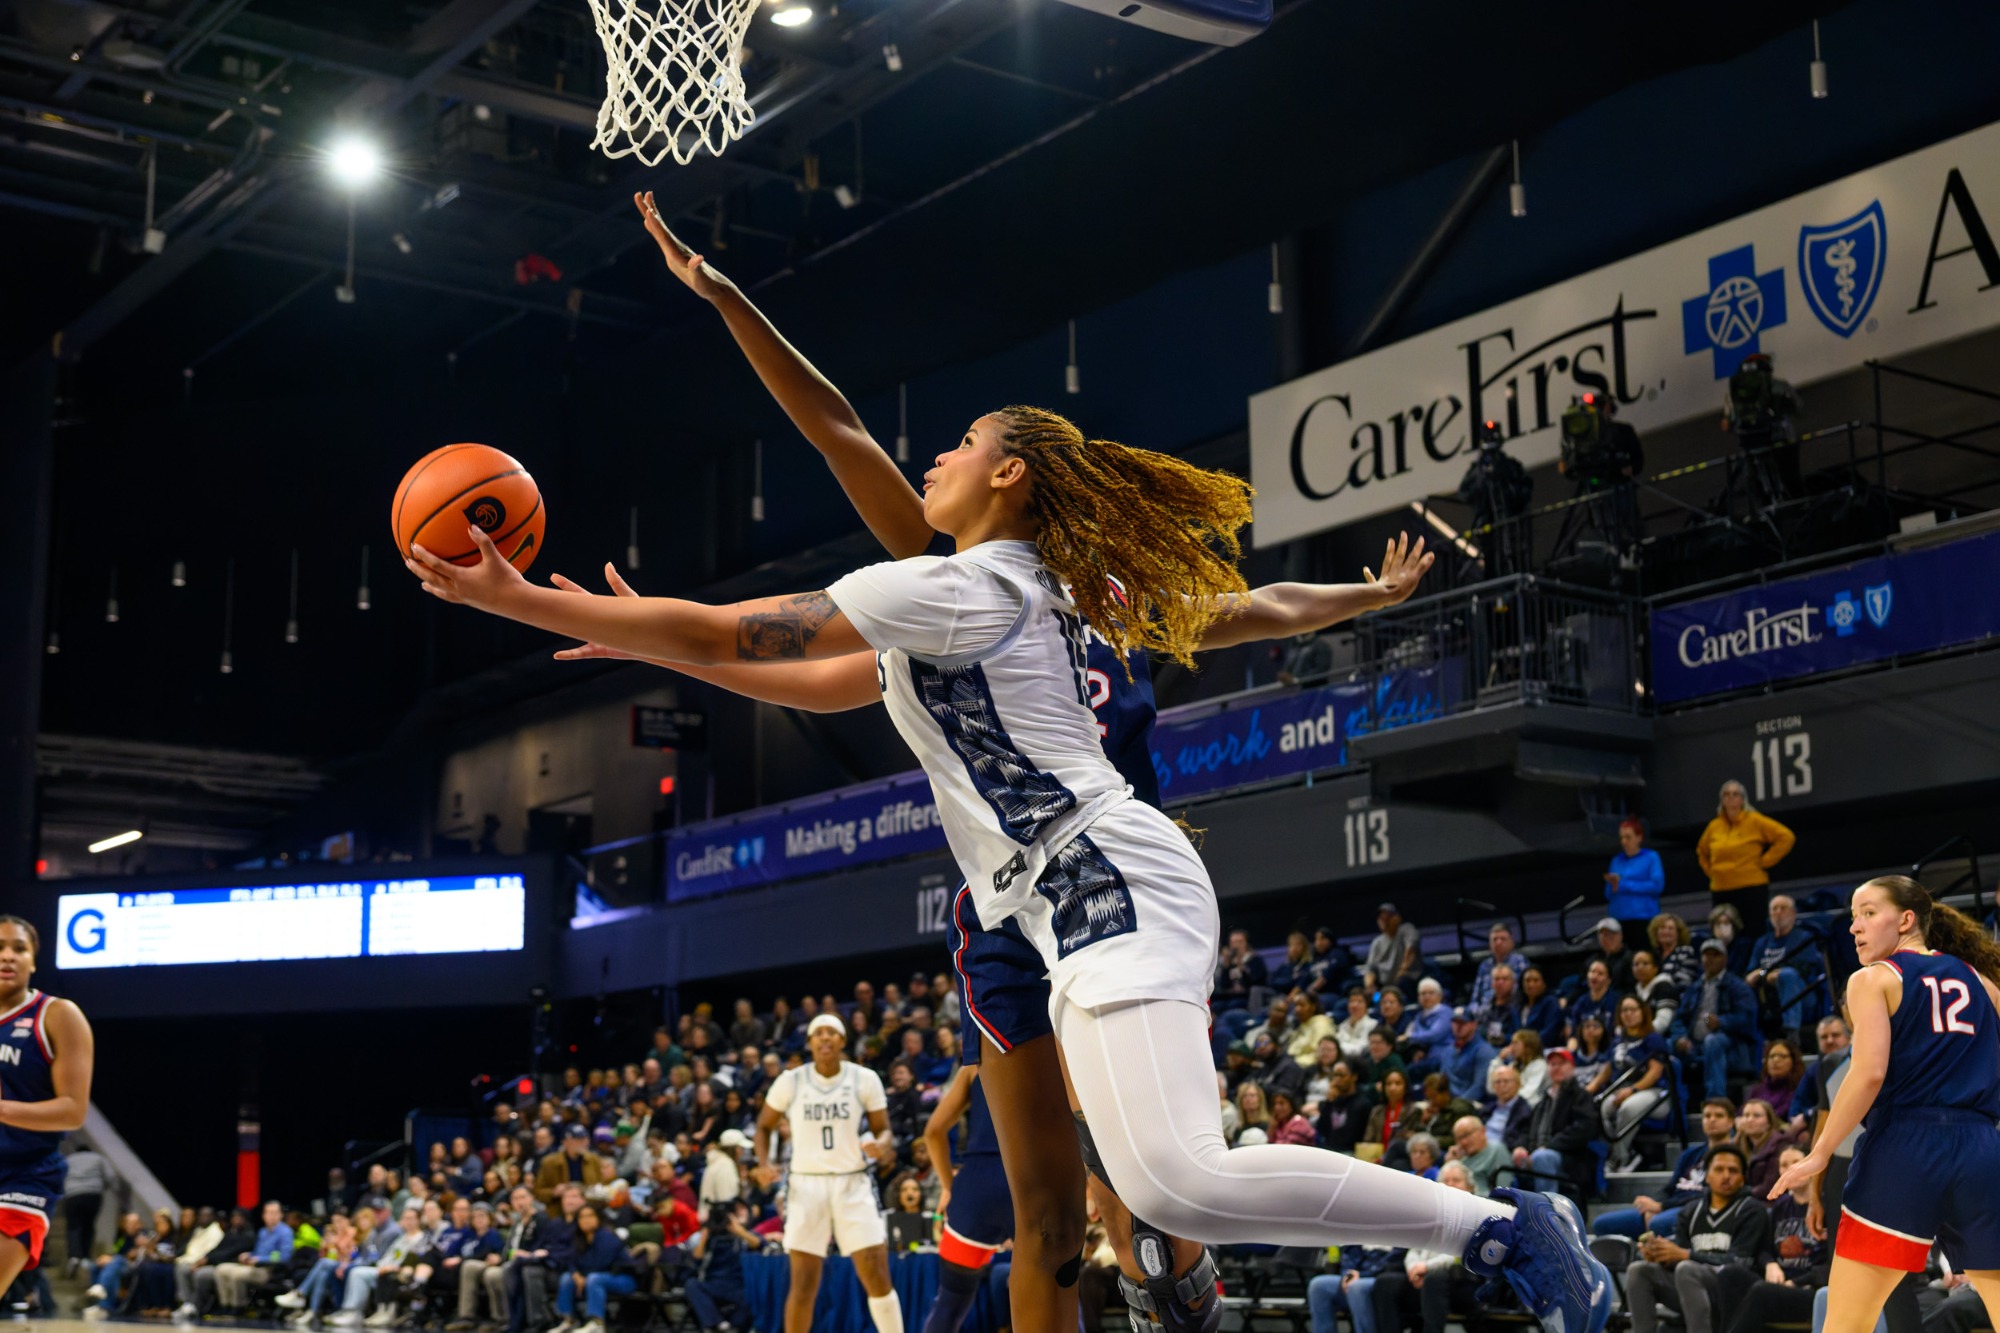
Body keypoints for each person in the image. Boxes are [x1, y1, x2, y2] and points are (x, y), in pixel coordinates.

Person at [442, 203, 1613, 1333]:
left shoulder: (973, 588)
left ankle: (1498, 1229)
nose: (934, 457)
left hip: (1102, 868)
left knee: (1170, 1181)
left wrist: (529, 600)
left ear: (1006, 478)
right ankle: (1312, 1250)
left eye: (959, 444)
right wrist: (650, 625)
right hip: (1043, 899)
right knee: (1143, 1188)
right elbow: (797, 653)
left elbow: (748, 624)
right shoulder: (989, 598)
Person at [1766, 875, 2000, 1333]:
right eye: (1854, 916)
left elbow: (1869, 1073)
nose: (1855, 926)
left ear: (1906, 919)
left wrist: (1820, 1153)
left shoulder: (1873, 978)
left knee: (1846, 1323)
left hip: (1905, 1150)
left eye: (1869, 913)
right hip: (1981, 1148)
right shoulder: (1983, 982)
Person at [749, 1014, 901, 1333]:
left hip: (852, 1180)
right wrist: (763, 1163)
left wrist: (881, 1144)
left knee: (876, 1273)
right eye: (818, 1033)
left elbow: (883, 1129)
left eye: (832, 1032)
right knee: (804, 1283)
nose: (825, 1037)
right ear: (810, 1043)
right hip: (806, 1184)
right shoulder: (791, 1081)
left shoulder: (864, 1078)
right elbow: (763, 1126)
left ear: (842, 1041)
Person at [0, 916, 94, 1299]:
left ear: (33, 961)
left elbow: (73, 1110)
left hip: (24, 1175)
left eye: (19, 948)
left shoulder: (56, 1015)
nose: (8, 956)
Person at [1624, 1144, 1771, 1333]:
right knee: (1639, 1270)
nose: (1726, 1176)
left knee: (1687, 1269)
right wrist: (1662, 1256)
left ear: (1743, 1178)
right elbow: (1680, 1254)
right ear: (1707, 1176)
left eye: (1733, 1170)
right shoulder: (1691, 1211)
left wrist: (1686, 1255)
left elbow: (1740, 1262)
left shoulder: (1752, 1210)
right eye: (1719, 1169)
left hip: (1735, 1291)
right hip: (1691, 1288)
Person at [919, 1066, 1007, 1333]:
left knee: (950, 1302)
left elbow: (933, 1132)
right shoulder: (1055, 1053)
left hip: (976, 1187)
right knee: (1061, 1296)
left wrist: (950, 1187)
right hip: (1032, 1183)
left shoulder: (972, 1066)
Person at [1365, 1162, 1485, 1333]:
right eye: (1446, 1181)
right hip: (1425, 1278)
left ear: (1470, 1187)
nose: (1450, 1184)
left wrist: (1426, 1268)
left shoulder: (1476, 1216)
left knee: (1435, 1278)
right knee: (1385, 1282)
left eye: (1456, 1180)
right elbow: (1414, 1248)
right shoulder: (1432, 1214)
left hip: (1461, 1281)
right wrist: (1414, 1269)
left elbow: (1461, 1254)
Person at [1594, 1098, 1738, 1240]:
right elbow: (1669, 1188)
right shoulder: (1691, 1154)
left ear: (1731, 1121)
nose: (1712, 1120)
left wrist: (1661, 1206)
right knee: (1602, 1224)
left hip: (1696, 1209)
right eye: (1707, 1116)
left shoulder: (1735, 1156)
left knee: (1659, 1224)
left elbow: (1711, 1195)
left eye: (1719, 1116)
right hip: (1670, 1206)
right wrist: (1652, 1204)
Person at [1695, 780, 1796, 928]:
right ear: (1722, 800)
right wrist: (1712, 872)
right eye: (1726, 794)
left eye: (1735, 794)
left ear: (1743, 799)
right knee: (1724, 933)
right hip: (1721, 889)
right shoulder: (1714, 826)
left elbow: (1786, 837)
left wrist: (1765, 861)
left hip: (1751, 887)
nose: (1731, 798)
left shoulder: (1755, 820)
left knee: (1753, 930)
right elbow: (1701, 851)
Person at [1590, 994, 1671, 1173]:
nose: (1628, 1014)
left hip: (1655, 1093)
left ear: (1643, 1012)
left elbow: (1655, 1072)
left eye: (1633, 1009)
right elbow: (1609, 1068)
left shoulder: (1653, 1038)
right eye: (1624, 1010)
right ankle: (1626, 1154)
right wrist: (1592, 1086)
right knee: (1601, 1108)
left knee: (1627, 1108)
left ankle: (1619, 1158)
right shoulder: (1618, 1040)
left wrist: (1632, 1090)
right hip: (1621, 1090)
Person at [1507, 1050, 1600, 1202]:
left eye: (1561, 1063)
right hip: (1535, 1153)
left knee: (1543, 1157)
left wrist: (1549, 1146)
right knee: (1508, 1157)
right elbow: (1526, 1129)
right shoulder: (1542, 1101)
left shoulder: (1581, 1096)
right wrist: (1520, 1147)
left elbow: (1584, 1128)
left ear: (1572, 1067)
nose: (1556, 1068)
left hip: (1569, 1159)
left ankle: (1548, 1210)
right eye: (1552, 1064)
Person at [1673, 939, 1760, 1099]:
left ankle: (1715, 1099)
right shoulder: (1694, 988)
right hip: (1694, 1044)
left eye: (1716, 955)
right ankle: (1674, 1103)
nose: (1710, 959)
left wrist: (1721, 1022)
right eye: (1707, 955)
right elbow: (1679, 1019)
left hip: (1731, 1043)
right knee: (1665, 1045)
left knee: (1713, 1041)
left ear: (1725, 959)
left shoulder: (1738, 987)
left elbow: (1747, 1019)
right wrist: (1680, 1037)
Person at [1745, 896, 1823, 1038]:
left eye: (1783, 908)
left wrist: (1768, 974)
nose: (1778, 912)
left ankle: (1791, 1032)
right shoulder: (1762, 942)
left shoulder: (1804, 937)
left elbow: (1805, 969)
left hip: (1801, 995)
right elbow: (1750, 974)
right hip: (1768, 996)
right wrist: (1765, 975)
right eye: (1774, 909)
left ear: (1793, 913)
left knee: (1788, 975)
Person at [548, 1204, 632, 1333]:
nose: (585, 1220)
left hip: (623, 1278)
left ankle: (597, 1323)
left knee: (594, 1278)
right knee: (567, 1277)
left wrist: (582, 1277)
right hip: (594, 1277)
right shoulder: (579, 1238)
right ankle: (569, 1320)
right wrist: (575, 1274)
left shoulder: (607, 1237)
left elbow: (601, 1265)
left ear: (598, 1218)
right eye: (581, 1217)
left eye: (590, 1216)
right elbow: (570, 1260)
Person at [682, 1202, 759, 1333]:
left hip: (737, 1285)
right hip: (712, 1283)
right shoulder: (705, 1237)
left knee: (754, 1293)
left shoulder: (743, 1235)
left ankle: (735, 1327)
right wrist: (704, 1237)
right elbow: (696, 1258)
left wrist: (738, 1230)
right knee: (691, 1285)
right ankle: (717, 1324)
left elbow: (757, 1243)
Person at [1606, 818, 1666, 943]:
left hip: (1644, 918)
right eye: (1621, 838)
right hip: (1619, 918)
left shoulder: (1651, 857)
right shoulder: (1616, 861)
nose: (1624, 841)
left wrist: (1624, 885)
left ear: (1639, 837)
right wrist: (1614, 885)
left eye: (1628, 837)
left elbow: (1657, 886)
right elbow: (1608, 893)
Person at [62, 1144, 113, 1280]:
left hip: (73, 1195)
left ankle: (74, 1256)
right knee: (89, 1226)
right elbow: (110, 1176)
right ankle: (85, 1256)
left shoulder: (69, 1160)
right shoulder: (98, 1158)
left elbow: (60, 1176)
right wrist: (101, 1187)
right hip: (93, 1195)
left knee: (73, 1226)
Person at [1364, 907, 1423, 997]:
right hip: (1384, 986)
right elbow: (1370, 968)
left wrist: (1402, 970)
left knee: (1402, 984)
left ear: (1397, 918)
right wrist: (1369, 986)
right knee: (1372, 996)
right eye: (1381, 919)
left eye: (1387, 918)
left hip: (1406, 983)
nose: (1384, 921)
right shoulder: (1377, 942)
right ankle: (1377, 1001)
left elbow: (1411, 950)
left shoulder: (1407, 929)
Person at [1745, 1041, 1804, 1122]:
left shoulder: (1799, 1091)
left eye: (1782, 1056)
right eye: (1772, 1056)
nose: (1776, 1060)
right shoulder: (1756, 1091)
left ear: (1793, 1061)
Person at [1518, 967, 1565, 1051]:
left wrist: (1525, 1045)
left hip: (1545, 1050)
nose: (1531, 985)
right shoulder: (1518, 1005)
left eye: (1536, 980)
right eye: (1527, 980)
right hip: (1520, 1050)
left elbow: (1549, 1033)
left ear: (1544, 983)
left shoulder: (1551, 1003)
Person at [1650, 914, 1701, 991]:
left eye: (1670, 928)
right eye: (1662, 928)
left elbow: (1685, 981)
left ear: (1678, 933)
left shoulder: (1686, 952)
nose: (1666, 931)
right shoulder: (1652, 955)